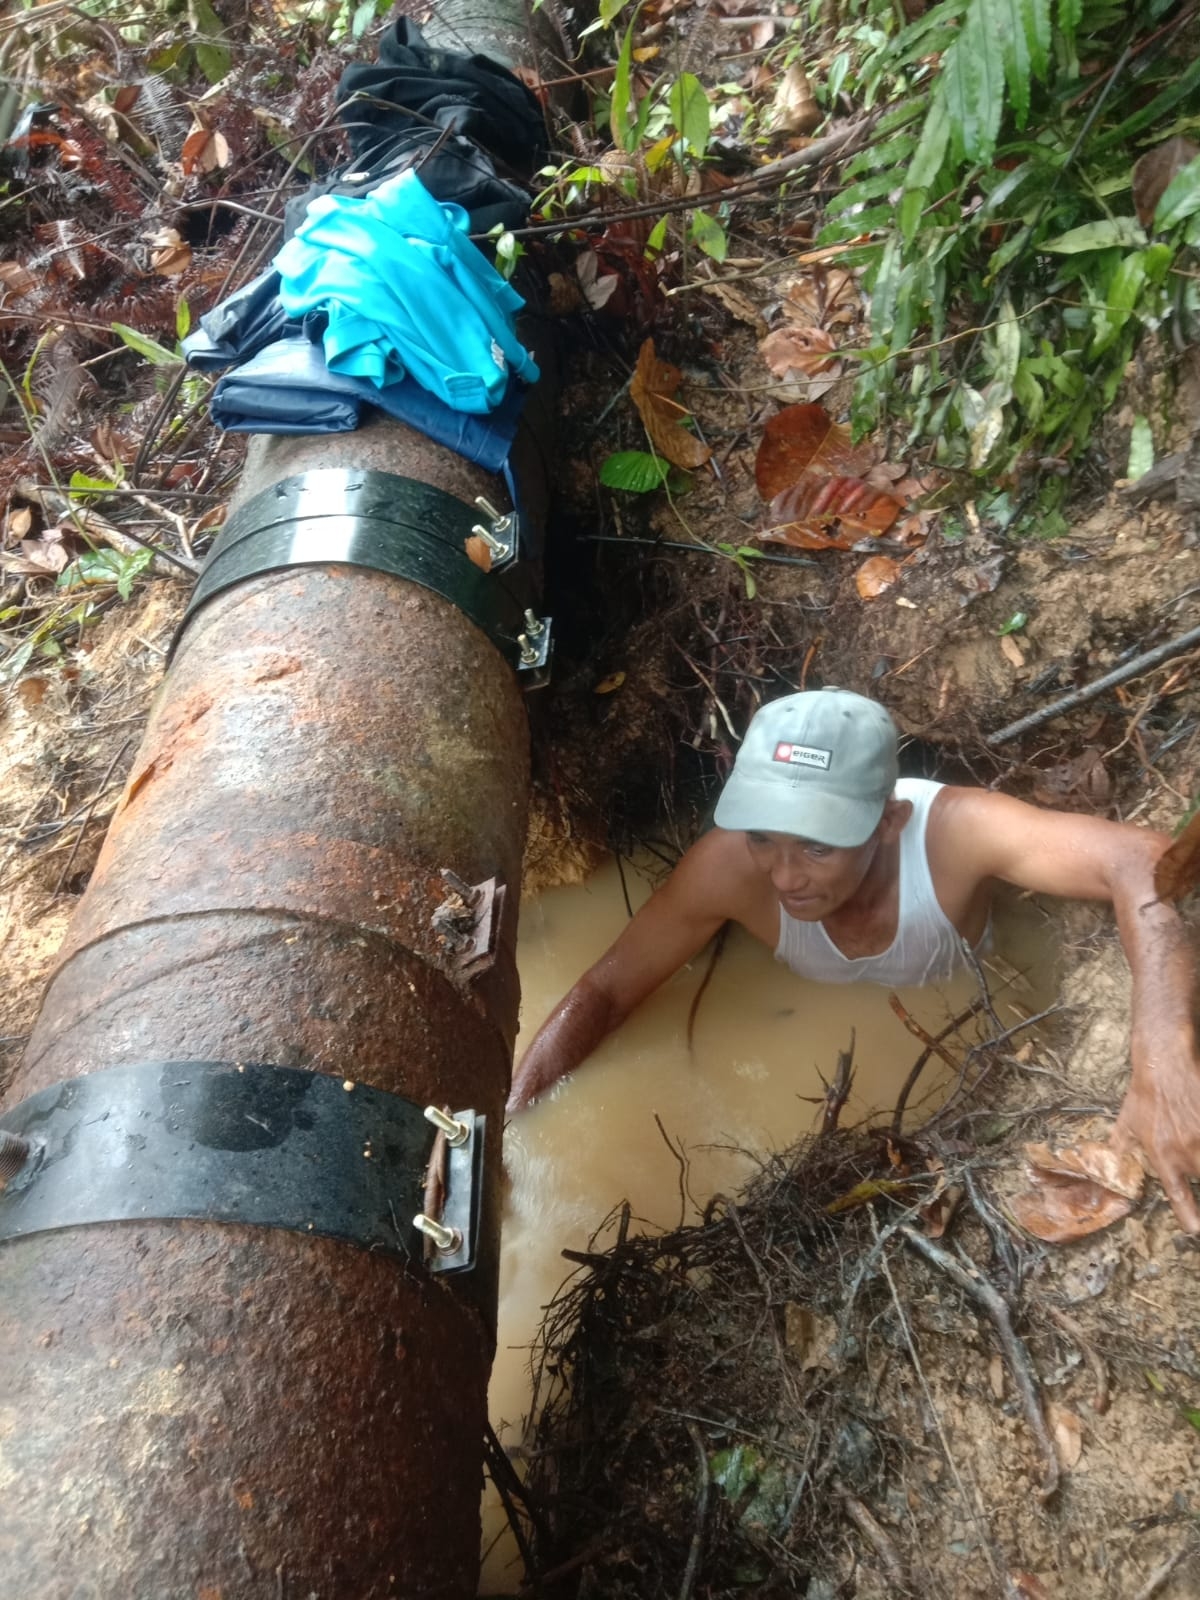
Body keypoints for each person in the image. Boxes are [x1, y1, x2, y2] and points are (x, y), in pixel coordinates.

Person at [507, 688, 1200, 1233]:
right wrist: (516, 1118)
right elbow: (607, 990)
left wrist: (1161, 1049)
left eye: (818, 846)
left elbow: (1140, 859)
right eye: (764, 837)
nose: (785, 876)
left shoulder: (955, 834)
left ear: (888, 822)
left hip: (981, 1017)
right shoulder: (727, 869)